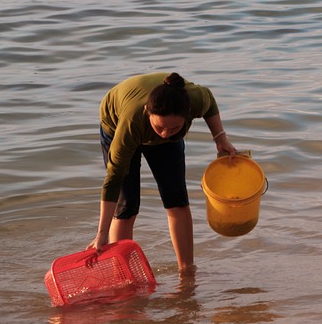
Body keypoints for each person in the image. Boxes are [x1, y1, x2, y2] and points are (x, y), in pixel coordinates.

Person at [87, 72, 237, 275]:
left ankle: (187, 271)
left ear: (187, 115)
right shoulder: (131, 124)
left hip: (157, 119)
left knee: (176, 199)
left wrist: (220, 138)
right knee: (126, 207)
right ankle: (123, 274)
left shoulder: (194, 99)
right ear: (148, 112)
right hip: (116, 124)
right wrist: (101, 234)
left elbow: (208, 100)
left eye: (174, 127)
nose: (165, 134)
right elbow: (113, 180)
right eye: (160, 127)